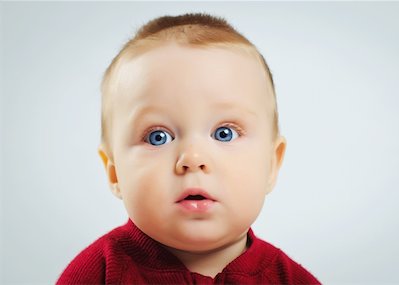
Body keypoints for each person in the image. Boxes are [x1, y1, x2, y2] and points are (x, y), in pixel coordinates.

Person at [57, 13, 320, 284]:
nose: (193, 159)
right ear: (114, 173)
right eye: (158, 137)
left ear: (272, 165)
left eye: (224, 133)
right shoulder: (98, 272)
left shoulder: (290, 279)